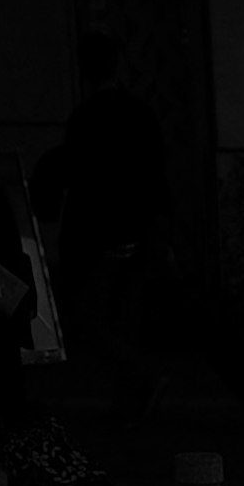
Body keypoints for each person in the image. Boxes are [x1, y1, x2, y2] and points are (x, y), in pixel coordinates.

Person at [38, 25, 168, 412]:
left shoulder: (85, 118)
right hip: (137, 232)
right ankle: (133, 396)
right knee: (123, 317)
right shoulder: (141, 114)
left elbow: (80, 177)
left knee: (87, 318)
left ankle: (138, 383)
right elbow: (157, 177)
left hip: (96, 237)